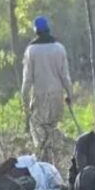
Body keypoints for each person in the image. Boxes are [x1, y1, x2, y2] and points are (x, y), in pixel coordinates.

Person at [21, 16, 73, 163]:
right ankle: (54, 163)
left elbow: (27, 80)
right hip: (57, 95)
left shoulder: (31, 50)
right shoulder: (59, 48)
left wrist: (25, 103)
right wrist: (69, 95)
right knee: (52, 129)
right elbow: (65, 76)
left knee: (38, 131)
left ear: (35, 30)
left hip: (39, 95)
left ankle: (44, 162)